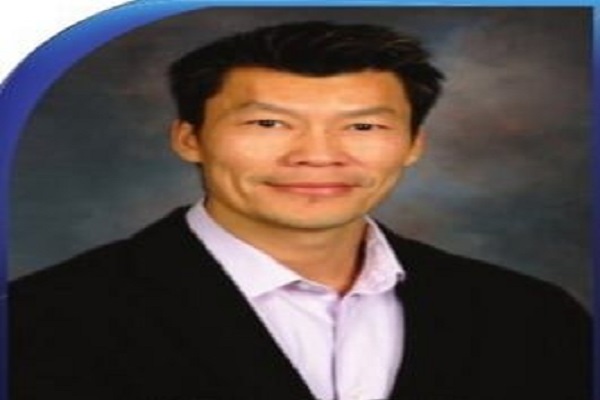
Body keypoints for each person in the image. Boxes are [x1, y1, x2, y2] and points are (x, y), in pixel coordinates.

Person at [10, 21, 590, 400]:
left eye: (363, 127)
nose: (317, 156)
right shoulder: (43, 321)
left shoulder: (529, 317)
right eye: (269, 123)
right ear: (189, 138)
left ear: (414, 144)